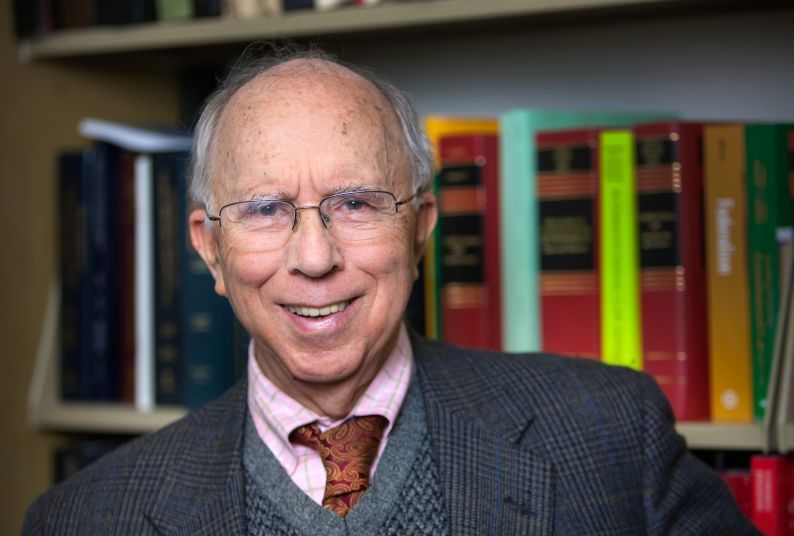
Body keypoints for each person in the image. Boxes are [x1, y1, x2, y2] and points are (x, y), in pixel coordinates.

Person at [24, 46, 757, 535]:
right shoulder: (87, 517)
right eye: (266, 209)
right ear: (209, 248)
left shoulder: (612, 437)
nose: (314, 259)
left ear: (421, 228)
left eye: (356, 203)